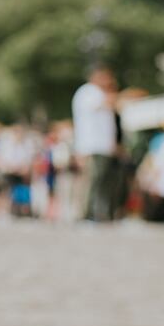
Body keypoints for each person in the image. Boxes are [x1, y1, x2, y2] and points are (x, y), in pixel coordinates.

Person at [72, 65, 118, 222]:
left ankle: (98, 212)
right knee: (93, 179)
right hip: (92, 146)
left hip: (102, 146)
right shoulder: (89, 92)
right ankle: (87, 213)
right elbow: (106, 104)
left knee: (101, 180)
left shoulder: (97, 93)